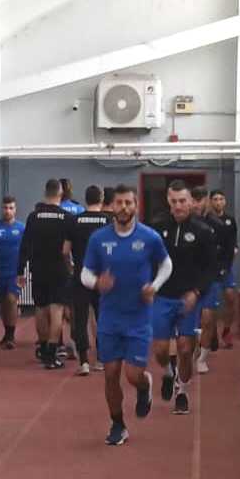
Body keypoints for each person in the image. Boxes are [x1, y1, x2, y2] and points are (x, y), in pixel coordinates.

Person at [81, 184, 172, 445]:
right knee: (110, 374)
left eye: (128, 203)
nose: (123, 207)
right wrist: (97, 283)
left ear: (136, 206)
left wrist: (154, 286)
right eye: (119, 203)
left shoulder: (150, 237)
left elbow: (166, 264)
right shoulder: (98, 239)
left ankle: (145, 386)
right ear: (112, 206)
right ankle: (118, 424)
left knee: (132, 375)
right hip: (109, 318)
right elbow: (85, 273)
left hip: (138, 318)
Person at [150, 180, 220, 415]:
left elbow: (211, 268)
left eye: (182, 201)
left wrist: (197, 292)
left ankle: (182, 390)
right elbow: (148, 260)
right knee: (161, 351)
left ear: (191, 202)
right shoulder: (157, 227)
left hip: (189, 298)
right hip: (162, 297)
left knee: (185, 348)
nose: (178, 206)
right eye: (174, 201)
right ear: (168, 201)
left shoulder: (203, 231)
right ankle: (169, 373)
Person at [18, 179, 74, 369]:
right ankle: (51, 352)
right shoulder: (67, 217)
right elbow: (70, 248)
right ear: (61, 194)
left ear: (45, 192)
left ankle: (42, 348)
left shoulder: (33, 217)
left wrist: (20, 270)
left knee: (40, 308)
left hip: (38, 267)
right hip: (59, 268)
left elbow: (25, 245)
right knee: (56, 309)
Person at [65, 185, 112, 375]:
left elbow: (65, 251)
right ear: (101, 199)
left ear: (85, 199)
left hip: (81, 275)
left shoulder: (74, 220)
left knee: (81, 318)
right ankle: (101, 358)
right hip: (102, 277)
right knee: (103, 318)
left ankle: (84, 361)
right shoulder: (108, 221)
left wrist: (71, 268)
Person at [196, 186, 234, 374]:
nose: (197, 204)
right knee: (193, 320)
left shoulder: (219, 225)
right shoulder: (185, 223)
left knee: (208, 318)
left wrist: (222, 268)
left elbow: (229, 249)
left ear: (205, 201)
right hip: (191, 278)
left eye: (200, 199)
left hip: (212, 276)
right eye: (194, 200)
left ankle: (202, 358)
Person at [0, 195, 25, 349]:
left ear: (15, 209)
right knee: (3, 303)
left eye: (11, 208)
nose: (8, 211)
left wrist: (25, 270)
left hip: (15, 272)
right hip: (0, 272)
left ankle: (11, 336)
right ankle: (7, 332)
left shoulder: (21, 228)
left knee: (11, 299)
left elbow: (27, 249)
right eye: (5, 208)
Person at [209, 190, 239, 348]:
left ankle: (226, 331)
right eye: (215, 199)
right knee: (212, 304)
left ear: (225, 202)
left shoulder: (230, 220)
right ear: (210, 202)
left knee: (230, 298)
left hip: (227, 266)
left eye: (221, 199)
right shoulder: (207, 220)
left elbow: (234, 242)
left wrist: (234, 250)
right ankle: (212, 332)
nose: (218, 202)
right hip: (212, 267)